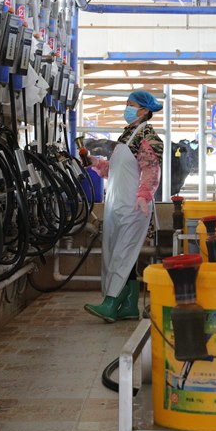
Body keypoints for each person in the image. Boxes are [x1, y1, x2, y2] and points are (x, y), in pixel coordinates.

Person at [84, 90, 165, 322]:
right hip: (117, 205)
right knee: (115, 253)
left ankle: (111, 303)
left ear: (144, 111)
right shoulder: (127, 136)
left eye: (131, 105)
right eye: (127, 104)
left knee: (123, 254)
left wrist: (144, 195)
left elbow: (151, 169)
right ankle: (129, 306)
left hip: (134, 206)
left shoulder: (147, 136)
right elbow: (116, 170)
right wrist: (95, 163)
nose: (127, 108)